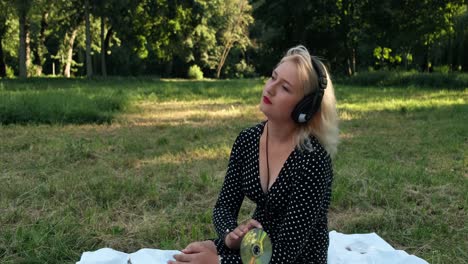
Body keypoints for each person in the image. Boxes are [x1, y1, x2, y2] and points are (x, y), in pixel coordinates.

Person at [168, 45, 339, 264]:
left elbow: (284, 255)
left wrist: (219, 261)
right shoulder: (248, 140)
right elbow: (224, 206)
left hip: (297, 258)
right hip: (257, 246)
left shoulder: (312, 159)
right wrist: (229, 236)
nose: (270, 88)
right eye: (273, 77)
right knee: (194, 253)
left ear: (304, 108)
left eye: (285, 88)